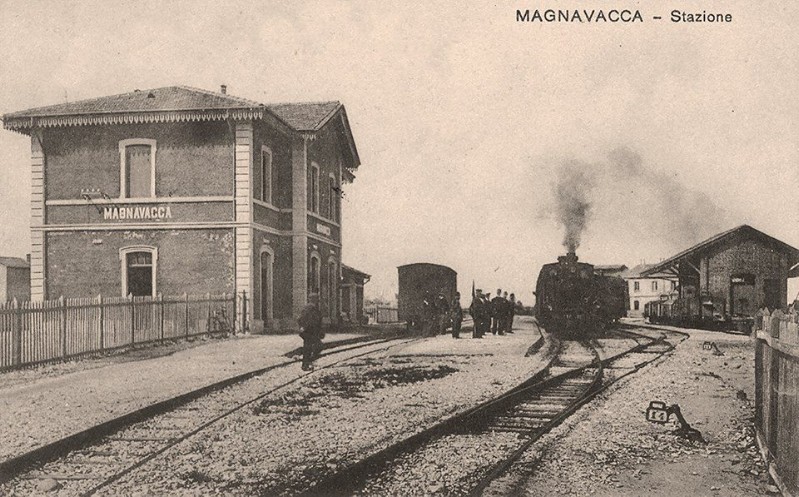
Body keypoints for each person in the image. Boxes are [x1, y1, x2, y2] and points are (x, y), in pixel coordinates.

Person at [298, 294, 323, 371]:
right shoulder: (310, 308)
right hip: (309, 331)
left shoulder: (310, 308)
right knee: (312, 347)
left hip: (310, 331)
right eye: (317, 299)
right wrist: (304, 327)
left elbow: (300, 319)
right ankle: (307, 364)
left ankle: (307, 363)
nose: (318, 301)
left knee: (309, 347)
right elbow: (303, 319)